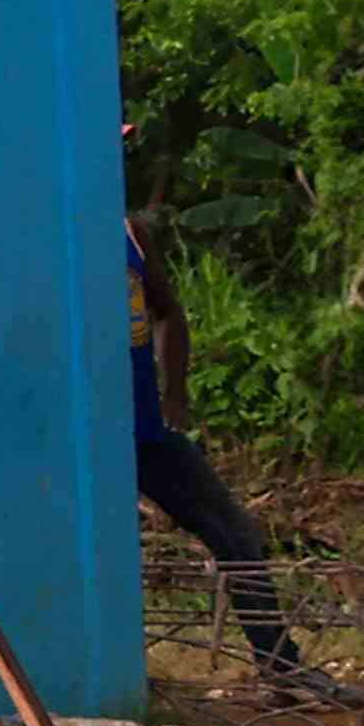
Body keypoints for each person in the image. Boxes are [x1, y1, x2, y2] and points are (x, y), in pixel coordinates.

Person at [127, 213, 304, 676]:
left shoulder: (131, 233)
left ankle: (278, 663)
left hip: (144, 431)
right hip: (86, 441)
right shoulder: (54, 233)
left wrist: (175, 393)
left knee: (234, 532)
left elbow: (167, 312)